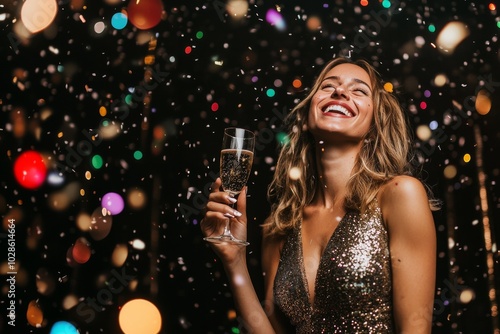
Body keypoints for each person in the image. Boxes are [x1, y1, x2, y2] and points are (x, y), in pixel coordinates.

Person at [201, 57, 438, 333]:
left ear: (375, 121)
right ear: (307, 115)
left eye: (359, 90)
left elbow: (416, 327)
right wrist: (234, 260)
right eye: (328, 86)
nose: (340, 92)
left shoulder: (400, 195)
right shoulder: (280, 225)